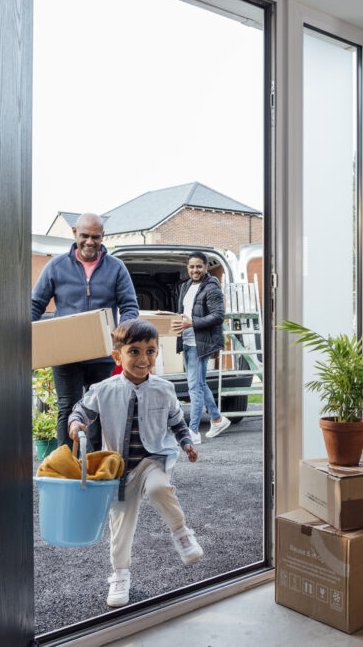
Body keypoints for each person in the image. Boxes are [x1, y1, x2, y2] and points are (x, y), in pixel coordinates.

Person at [68, 319, 203, 608]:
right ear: (117, 356)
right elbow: (81, 409)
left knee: (159, 490)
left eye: (151, 351)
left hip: (152, 461)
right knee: (121, 528)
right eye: (134, 352)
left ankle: (181, 533)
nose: (144, 359)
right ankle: (120, 575)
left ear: (157, 353)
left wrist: (187, 443)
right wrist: (76, 423)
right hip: (118, 471)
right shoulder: (103, 389)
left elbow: (176, 422)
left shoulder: (164, 389)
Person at [31, 212, 139, 449]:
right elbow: (35, 304)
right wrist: (26, 336)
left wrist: (121, 333)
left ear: (103, 237)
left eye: (96, 237)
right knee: (67, 407)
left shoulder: (116, 268)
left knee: (98, 408)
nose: (90, 241)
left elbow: (130, 306)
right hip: (65, 353)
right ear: (74, 234)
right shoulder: (56, 266)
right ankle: (65, 466)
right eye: (85, 236)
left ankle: (93, 466)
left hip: (102, 353)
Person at [172, 251, 229, 442]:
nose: (195, 270)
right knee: (200, 384)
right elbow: (184, 312)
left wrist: (191, 323)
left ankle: (193, 431)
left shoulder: (212, 288)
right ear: (187, 268)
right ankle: (217, 419)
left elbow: (218, 316)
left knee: (194, 387)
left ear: (205, 267)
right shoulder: (186, 286)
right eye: (191, 266)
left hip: (200, 343)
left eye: (199, 266)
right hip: (187, 341)